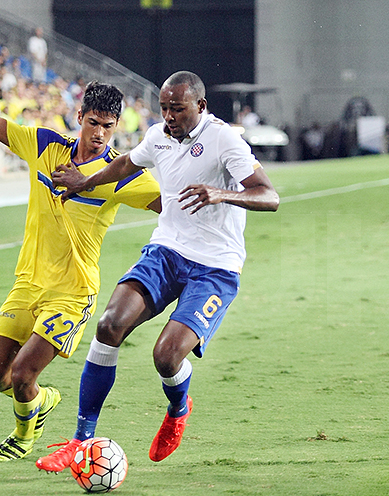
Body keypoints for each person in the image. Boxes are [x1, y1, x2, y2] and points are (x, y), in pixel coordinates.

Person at [0, 23, 161, 462]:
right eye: (94, 123)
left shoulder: (121, 174)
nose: (99, 133)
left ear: (117, 128)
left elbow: (168, 205)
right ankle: (39, 403)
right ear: (80, 117)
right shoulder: (44, 144)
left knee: (23, 372)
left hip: (73, 293)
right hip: (28, 283)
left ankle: (22, 438)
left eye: (108, 127)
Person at [37, 70, 279, 472]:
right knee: (109, 324)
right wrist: (84, 182)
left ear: (200, 106)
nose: (168, 115)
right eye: (164, 107)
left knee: (166, 356)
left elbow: (268, 196)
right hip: (167, 250)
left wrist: (220, 193)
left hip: (215, 266)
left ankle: (178, 407)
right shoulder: (158, 135)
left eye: (177, 109)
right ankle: (80, 442)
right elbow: (126, 166)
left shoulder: (224, 140)